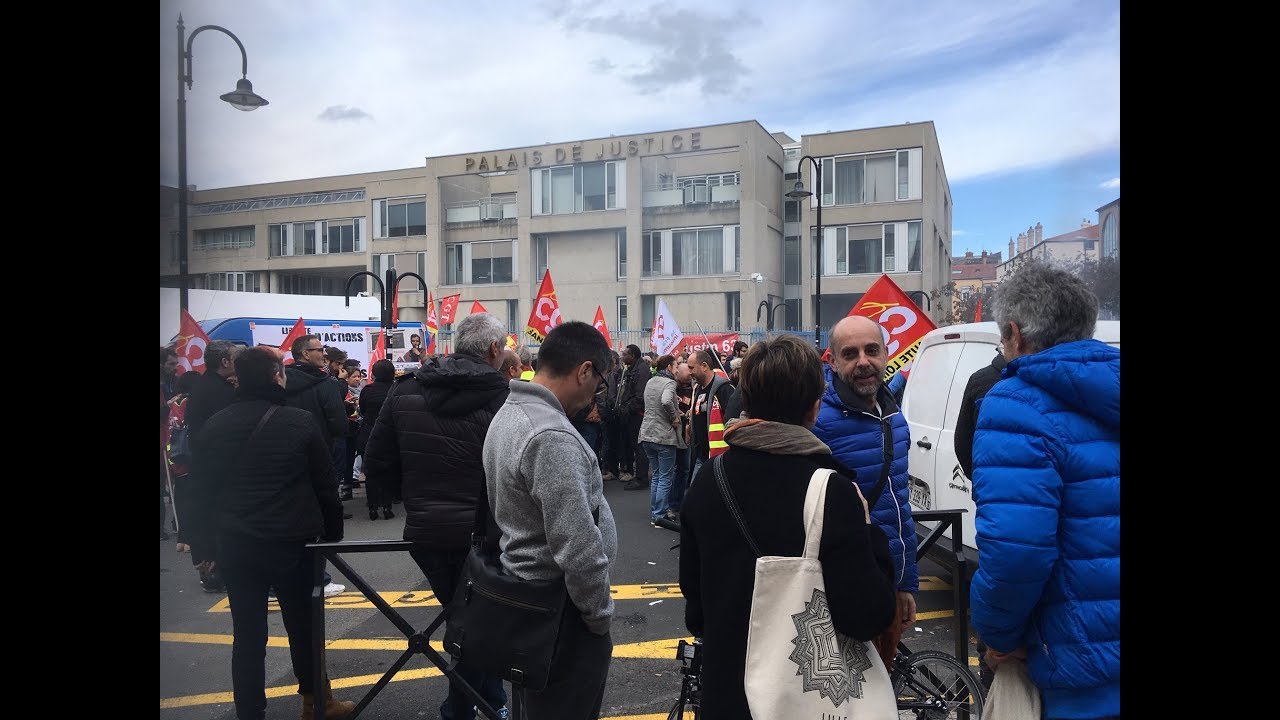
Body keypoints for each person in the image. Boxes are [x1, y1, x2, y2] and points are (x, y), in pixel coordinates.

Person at [679, 335, 897, 720]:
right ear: (814, 408)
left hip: (726, 693)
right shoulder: (833, 492)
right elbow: (866, 615)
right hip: (807, 701)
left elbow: (696, 609)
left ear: (747, 399)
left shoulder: (707, 482)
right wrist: (870, 529)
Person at [969, 261, 1120, 720]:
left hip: (1075, 671)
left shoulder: (1016, 403)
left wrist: (997, 635)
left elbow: (1017, 551)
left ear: (1014, 333)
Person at [186, 346, 353, 720]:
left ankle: (250, 712)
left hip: (238, 543)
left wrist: (203, 546)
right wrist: (332, 535)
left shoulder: (217, 424)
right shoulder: (299, 422)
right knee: (303, 626)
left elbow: (199, 490)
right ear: (278, 376)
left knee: (247, 635)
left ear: (238, 379)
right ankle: (316, 703)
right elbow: (326, 486)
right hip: (293, 540)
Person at [363, 313, 513, 720]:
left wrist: (414, 494)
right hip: (485, 533)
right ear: (494, 350)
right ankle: (469, 707)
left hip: (427, 532)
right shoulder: (506, 395)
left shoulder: (406, 389)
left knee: (468, 620)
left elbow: (376, 460)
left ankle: (485, 701)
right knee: (474, 623)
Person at [482, 320, 616, 720]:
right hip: (561, 613)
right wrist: (598, 616)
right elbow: (577, 545)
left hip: (529, 604)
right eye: (600, 382)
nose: (596, 394)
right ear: (585, 370)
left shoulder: (510, 413)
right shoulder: (550, 436)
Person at [811, 315, 918, 670]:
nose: (863, 362)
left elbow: (899, 508)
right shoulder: (818, 422)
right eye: (850, 353)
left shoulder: (893, 416)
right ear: (832, 360)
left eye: (872, 350)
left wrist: (906, 582)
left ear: (887, 353)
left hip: (887, 582)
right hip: (840, 593)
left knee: (881, 691)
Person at [284, 334, 350, 596]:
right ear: (304, 353)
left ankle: (286, 577)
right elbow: (338, 424)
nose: (324, 353)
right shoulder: (325, 383)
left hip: (285, 456)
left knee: (289, 515)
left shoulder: (281, 380)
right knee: (319, 516)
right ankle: (318, 579)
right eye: (319, 349)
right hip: (319, 452)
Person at [183, 339, 244, 591]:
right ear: (225, 362)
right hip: (217, 468)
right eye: (235, 357)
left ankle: (215, 569)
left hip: (208, 466)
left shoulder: (209, 384)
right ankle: (217, 571)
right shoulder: (216, 392)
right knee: (219, 522)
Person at [953, 347, 1007, 481]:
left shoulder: (979, 379)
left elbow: (963, 439)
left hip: (988, 486)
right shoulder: (1041, 379)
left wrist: (979, 477)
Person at [638, 355, 681, 525]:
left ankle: (655, 512)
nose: (677, 369)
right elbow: (665, 400)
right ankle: (659, 515)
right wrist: (675, 417)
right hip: (663, 436)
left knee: (656, 476)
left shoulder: (651, 381)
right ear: (670, 367)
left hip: (646, 433)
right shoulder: (669, 383)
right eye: (676, 366)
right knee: (665, 477)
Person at [355, 358, 397, 520]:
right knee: (388, 472)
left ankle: (372, 507)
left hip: (368, 434)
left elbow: (363, 410)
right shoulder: (395, 389)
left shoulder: (367, 390)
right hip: (389, 435)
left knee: (370, 472)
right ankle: (387, 506)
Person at [687, 349, 735, 486]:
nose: (689, 372)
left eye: (691, 367)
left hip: (719, 457)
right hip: (701, 455)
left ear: (704, 366)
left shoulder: (724, 388)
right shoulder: (697, 388)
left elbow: (734, 420)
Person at [618, 344, 651, 490]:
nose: (622, 356)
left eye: (625, 354)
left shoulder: (641, 370)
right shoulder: (632, 369)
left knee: (639, 447)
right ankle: (638, 476)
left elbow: (640, 396)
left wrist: (627, 409)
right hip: (631, 414)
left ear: (632, 355)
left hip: (637, 415)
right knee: (635, 446)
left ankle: (641, 478)